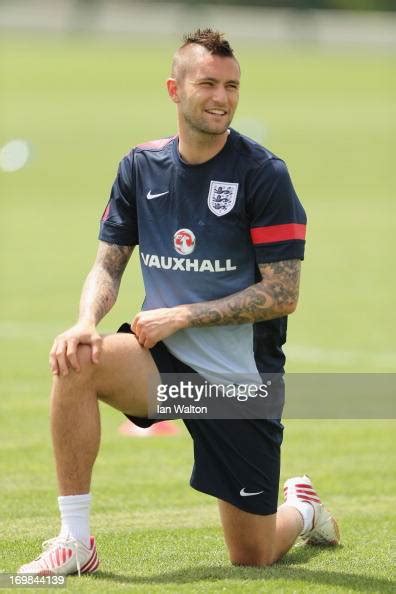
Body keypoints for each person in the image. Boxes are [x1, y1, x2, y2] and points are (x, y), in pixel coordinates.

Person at [19, 28, 339, 576]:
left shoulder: (264, 175)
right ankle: (75, 541)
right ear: (175, 89)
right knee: (77, 359)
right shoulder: (141, 167)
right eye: (208, 83)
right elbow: (108, 262)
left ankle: (302, 511)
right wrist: (84, 322)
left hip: (239, 384)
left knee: (253, 555)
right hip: (161, 362)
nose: (222, 97)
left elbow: (283, 294)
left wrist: (183, 314)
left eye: (232, 86)